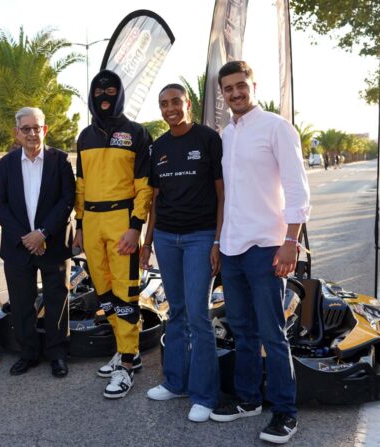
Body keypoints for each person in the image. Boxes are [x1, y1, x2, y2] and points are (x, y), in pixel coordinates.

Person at [208, 61, 310, 445]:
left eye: (241, 85)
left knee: (272, 333)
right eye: (228, 88)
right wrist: (219, 243)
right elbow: (227, 196)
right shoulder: (226, 135)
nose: (235, 93)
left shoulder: (277, 128)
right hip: (233, 247)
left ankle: (285, 412)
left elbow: (297, 188)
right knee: (242, 330)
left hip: (267, 246)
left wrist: (291, 241)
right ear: (223, 94)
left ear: (253, 85)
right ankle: (248, 399)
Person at [140, 84, 223, 422]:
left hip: (200, 237)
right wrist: (147, 243)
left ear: (188, 103)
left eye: (176, 101)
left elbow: (222, 193)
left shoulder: (208, 139)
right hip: (166, 238)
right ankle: (176, 383)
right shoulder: (158, 147)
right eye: (164, 104)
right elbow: (155, 200)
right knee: (175, 311)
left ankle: (205, 395)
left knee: (198, 315)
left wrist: (217, 241)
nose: (170, 108)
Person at [72, 70, 153, 398]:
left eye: (110, 91)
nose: (104, 96)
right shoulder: (84, 136)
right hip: (91, 222)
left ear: (120, 94)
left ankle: (127, 364)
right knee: (104, 293)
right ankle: (125, 349)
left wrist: (136, 226)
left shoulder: (137, 133)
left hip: (122, 220)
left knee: (125, 294)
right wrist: (79, 226)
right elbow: (80, 185)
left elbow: (144, 187)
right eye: (98, 91)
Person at [0, 107, 75, 377]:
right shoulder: (5, 164)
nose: (31, 133)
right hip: (18, 246)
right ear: (17, 133)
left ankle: (58, 354)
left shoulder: (60, 160)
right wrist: (26, 237)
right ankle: (28, 353)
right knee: (21, 302)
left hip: (53, 244)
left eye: (36, 128)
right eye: (25, 129)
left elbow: (67, 200)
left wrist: (43, 233)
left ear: (45, 129)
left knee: (56, 300)